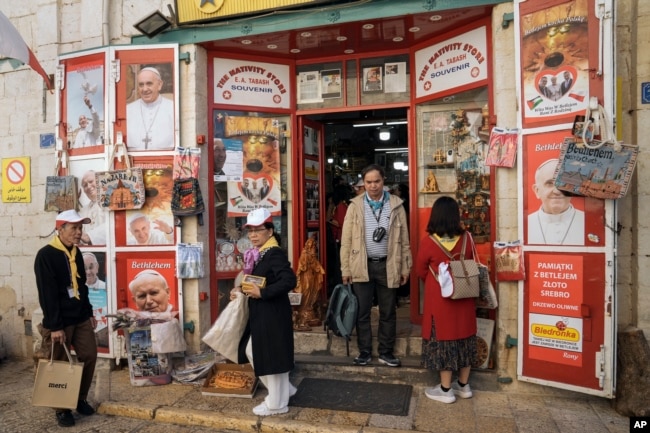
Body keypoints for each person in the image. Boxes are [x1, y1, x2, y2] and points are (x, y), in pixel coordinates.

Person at [340, 164, 411, 368]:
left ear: (384, 180)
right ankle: (364, 352)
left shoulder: (396, 205)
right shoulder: (355, 206)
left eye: (377, 181)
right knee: (362, 312)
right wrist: (345, 269)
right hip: (361, 265)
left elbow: (405, 239)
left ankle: (386, 352)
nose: (373, 186)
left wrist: (405, 267)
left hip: (388, 265)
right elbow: (346, 241)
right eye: (368, 182)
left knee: (388, 311)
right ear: (364, 183)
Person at [229, 208, 297, 416]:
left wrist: (264, 293)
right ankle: (286, 390)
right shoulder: (261, 253)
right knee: (257, 351)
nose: (253, 235)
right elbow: (257, 281)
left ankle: (277, 404)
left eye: (258, 230)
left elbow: (289, 280)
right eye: (249, 231)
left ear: (270, 231)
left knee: (270, 357)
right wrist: (241, 289)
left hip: (272, 312)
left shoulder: (273, 253)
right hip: (263, 312)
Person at [33, 210, 97, 427]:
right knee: (59, 363)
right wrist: (55, 326)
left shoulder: (76, 253)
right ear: (60, 230)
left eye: (81, 228)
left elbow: (82, 286)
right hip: (60, 321)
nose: (79, 233)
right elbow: (47, 294)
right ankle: (61, 409)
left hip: (79, 316)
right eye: (74, 228)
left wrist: (88, 313)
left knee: (89, 355)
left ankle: (79, 398)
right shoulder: (46, 255)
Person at [414, 196, 478, 404]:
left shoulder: (429, 242)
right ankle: (464, 385)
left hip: (440, 301)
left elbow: (420, 271)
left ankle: (445, 389)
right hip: (465, 297)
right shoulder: (467, 238)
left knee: (444, 340)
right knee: (465, 338)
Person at [527, 159, 585, 245]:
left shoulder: (587, 221)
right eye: (549, 183)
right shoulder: (526, 224)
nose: (557, 191)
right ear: (537, 191)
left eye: (563, 183)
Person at [126, 66, 174, 150]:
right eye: (141, 85)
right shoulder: (128, 110)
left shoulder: (172, 108)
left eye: (149, 84)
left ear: (159, 85)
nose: (145, 89)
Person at [83, 252, 108, 348]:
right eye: (84, 268)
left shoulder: (106, 287)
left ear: (97, 267)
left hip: (102, 332)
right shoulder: (75, 289)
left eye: (91, 267)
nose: (88, 272)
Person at [78, 170, 107, 245]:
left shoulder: (110, 203)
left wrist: (90, 236)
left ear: (100, 181)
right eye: (84, 185)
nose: (88, 186)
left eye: (91, 181)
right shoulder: (83, 211)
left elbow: (114, 225)